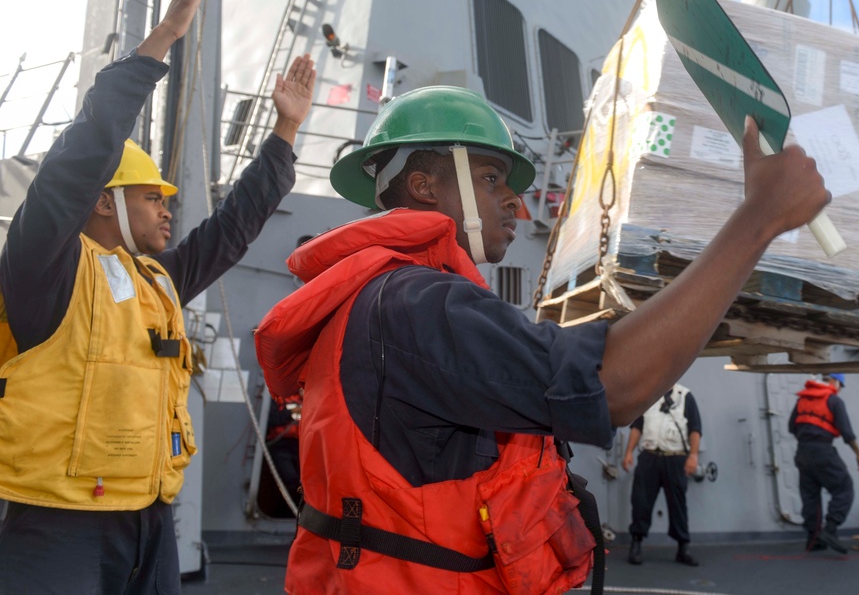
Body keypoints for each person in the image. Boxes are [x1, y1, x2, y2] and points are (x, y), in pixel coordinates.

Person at [254, 88, 829, 593]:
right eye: (489, 178)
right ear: (425, 186)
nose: (515, 201)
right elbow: (610, 386)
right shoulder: (416, 303)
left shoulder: (377, 298)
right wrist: (760, 219)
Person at [0, 0, 316, 594]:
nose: (166, 209)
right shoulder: (44, 269)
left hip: (148, 521)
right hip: (55, 526)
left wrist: (284, 132)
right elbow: (79, 155)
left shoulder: (156, 281)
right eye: (151, 196)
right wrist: (163, 40)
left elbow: (231, 230)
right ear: (102, 199)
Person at [622, 383, 702, 567]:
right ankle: (636, 544)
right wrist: (628, 453)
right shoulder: (648, 394)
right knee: (641, 501)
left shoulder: (685, 396)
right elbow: (637, 426)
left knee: (678, 504)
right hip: (649, 457)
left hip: (675, 457)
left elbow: (695, 429)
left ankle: (683, 547)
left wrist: (693, 456)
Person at [788, 373, 859, 554]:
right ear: (835, 382)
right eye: (840, 386)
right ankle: (830, 530)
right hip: (822, 450)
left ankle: (813, 540)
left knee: (810, 496)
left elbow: (791, 427)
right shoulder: (834, 401)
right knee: (844, 487)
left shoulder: (802, 400)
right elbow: (847, 433)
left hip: (802, 452)